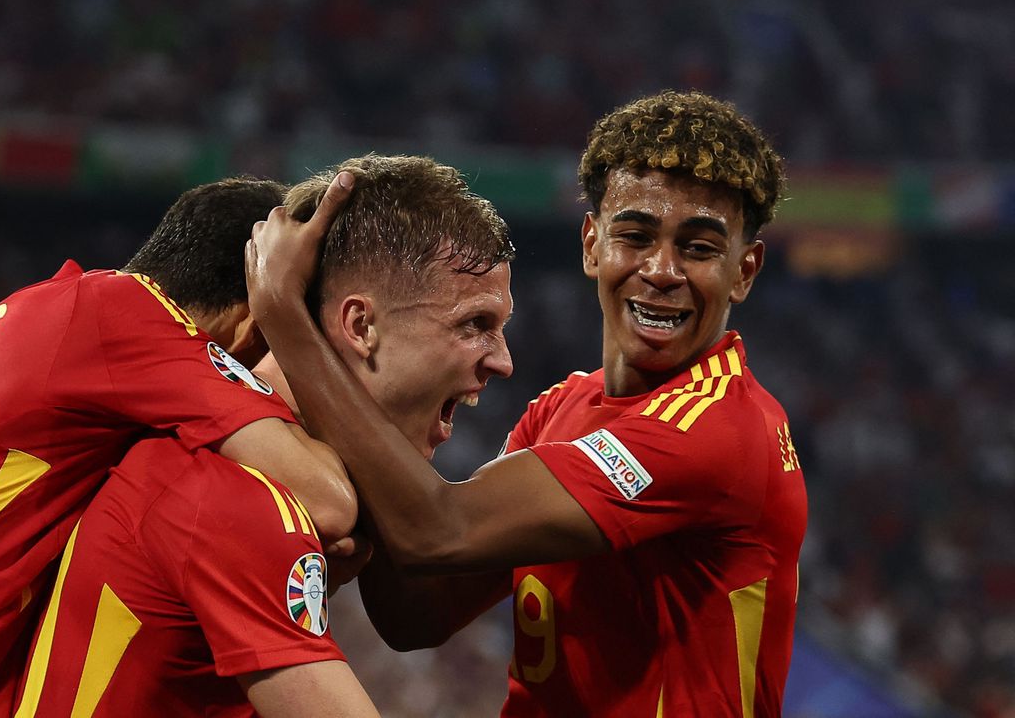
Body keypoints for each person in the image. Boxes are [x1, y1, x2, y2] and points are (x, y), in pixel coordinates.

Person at [247, 91, 807, 716]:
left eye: (699, 248)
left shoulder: (716, 427)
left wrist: (285, 317)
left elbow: (438, 531)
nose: (662, 269)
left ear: (745, 270)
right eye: (636, 235)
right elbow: (418, 615)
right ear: (593, 244)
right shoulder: (562, 409)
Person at [0, 178, 355, 717]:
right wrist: (286, 308)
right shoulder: (125, 318)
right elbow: (329, 501)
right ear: (250, 321)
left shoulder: (65, 312)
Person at [9, 154, 517, 716]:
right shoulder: (234, 491)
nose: (503, 362)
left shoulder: (221, 461)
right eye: (476, 325)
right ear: (360, 326)